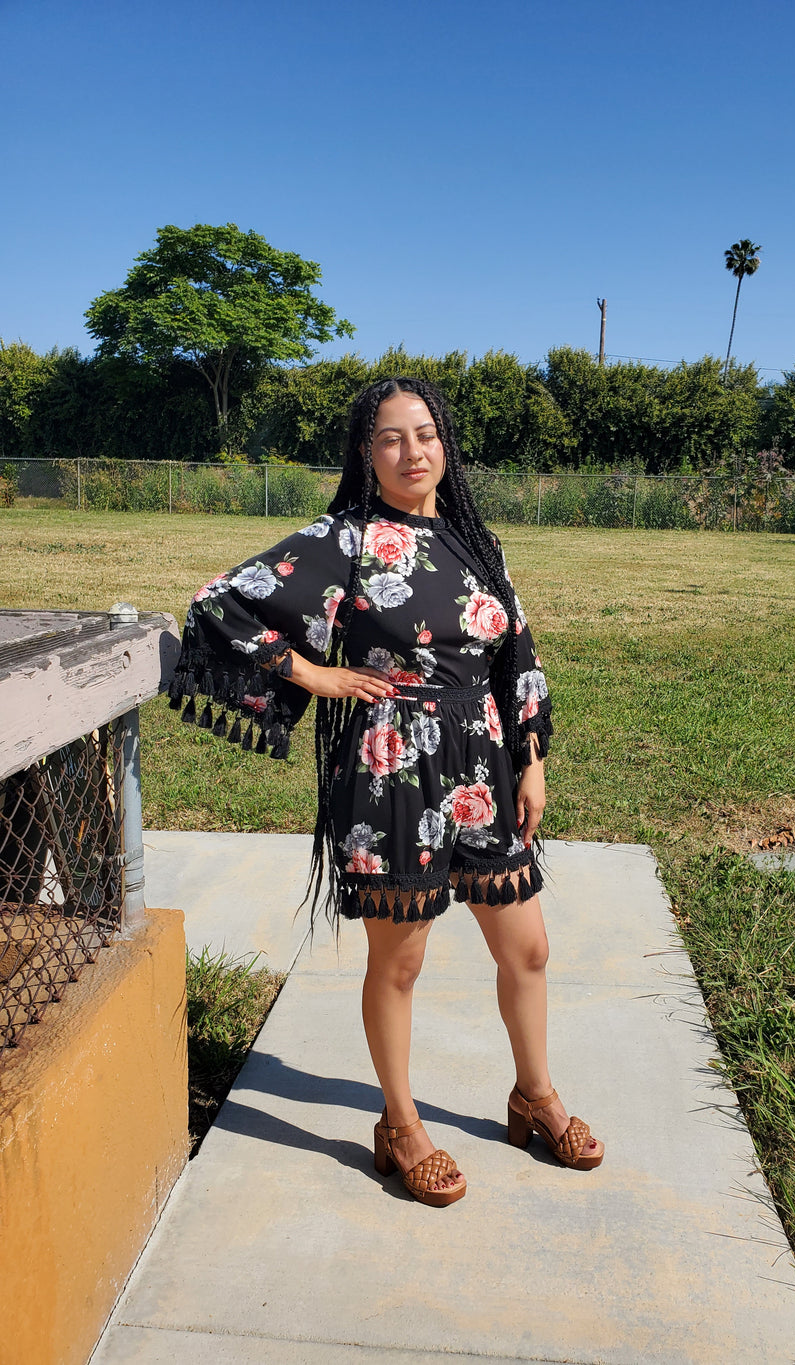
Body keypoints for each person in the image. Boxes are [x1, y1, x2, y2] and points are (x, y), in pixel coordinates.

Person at [170, 376, 603, 1206]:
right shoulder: (348, 538)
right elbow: (219, 602)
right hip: (392, 766)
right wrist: (312, 673)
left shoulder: (478, 541)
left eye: (425, 434)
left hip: (484, 766)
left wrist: (532, 757)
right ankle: (400, 1123)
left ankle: (534, 1094)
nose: (412, 452)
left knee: (528, 947)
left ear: (446, 444)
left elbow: (517, 650)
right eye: (391, 438)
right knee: (400, 962)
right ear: (366, 453)